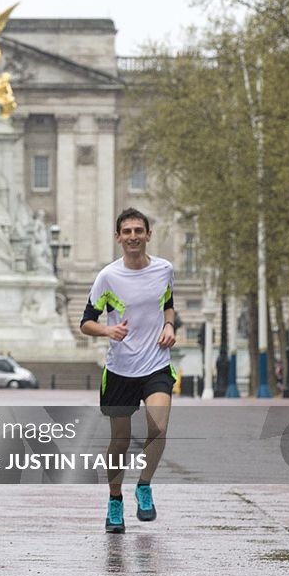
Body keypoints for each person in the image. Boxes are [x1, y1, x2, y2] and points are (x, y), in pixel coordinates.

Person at [79, 207, 176, 534]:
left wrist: (170, 325)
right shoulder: (108, 277)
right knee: (120, 440)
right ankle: (115, 499)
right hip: (120, 370)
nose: (133, 236)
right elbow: (86, 323)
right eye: (127, 231)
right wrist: (107, 331)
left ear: (148, 235)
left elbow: (167, 303)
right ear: (118, 237)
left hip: (156, 365)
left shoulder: (164, 269)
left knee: (158, 428)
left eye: (139, 231)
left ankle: (144, 485)